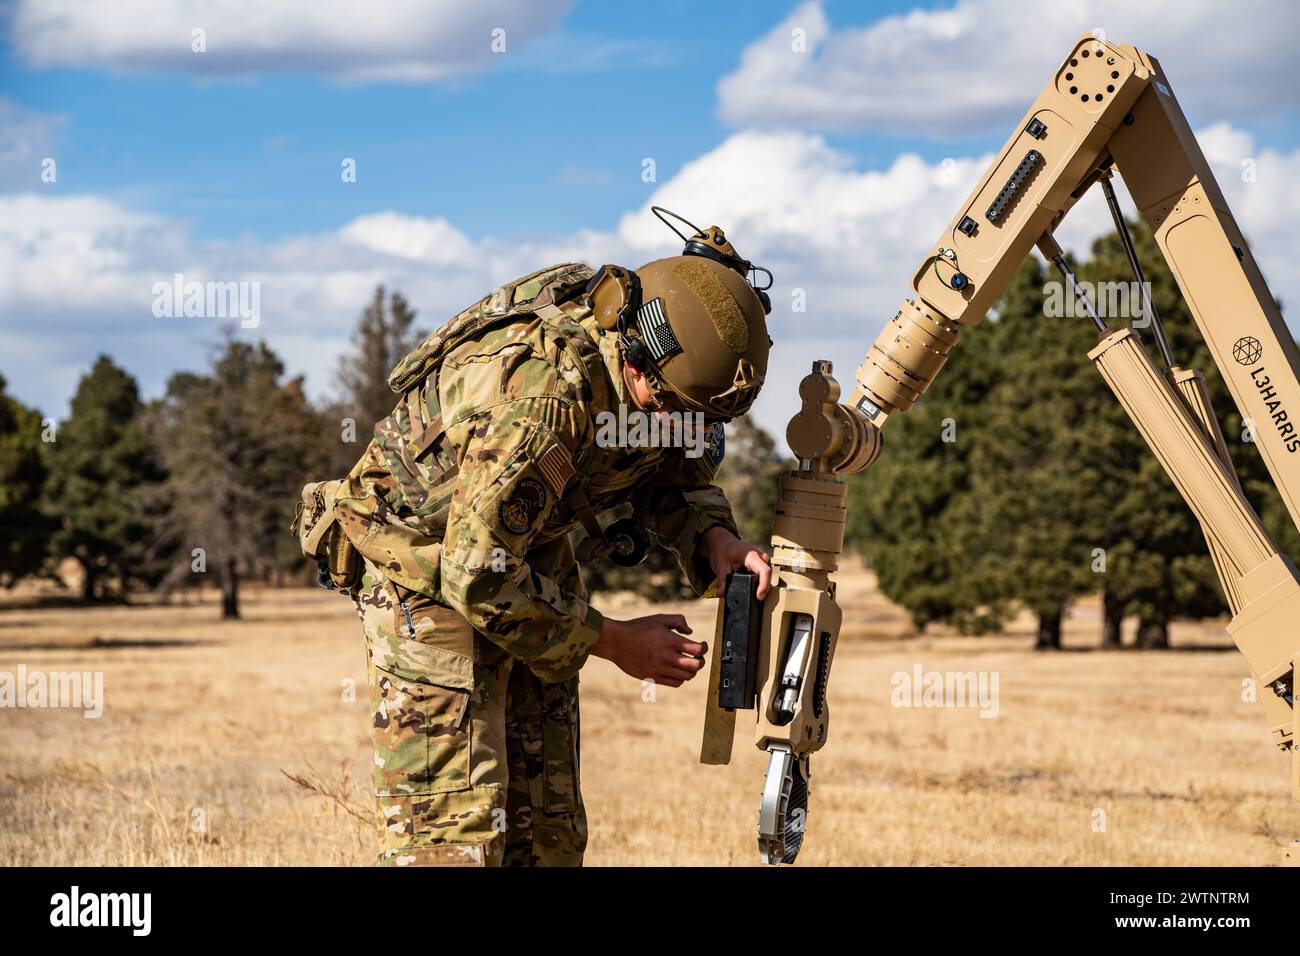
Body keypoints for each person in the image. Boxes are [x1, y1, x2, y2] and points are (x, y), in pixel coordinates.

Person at [304, 211, 774, 866]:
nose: (678, 426)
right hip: (426, 563)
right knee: (455, 837)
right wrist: (613, 641)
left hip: (523, 554)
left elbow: (670, 469)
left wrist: (716, 539)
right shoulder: (544, 399)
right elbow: (477, 574)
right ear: (636, 357)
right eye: (672, 410)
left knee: (546, 832)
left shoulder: (660, 385)